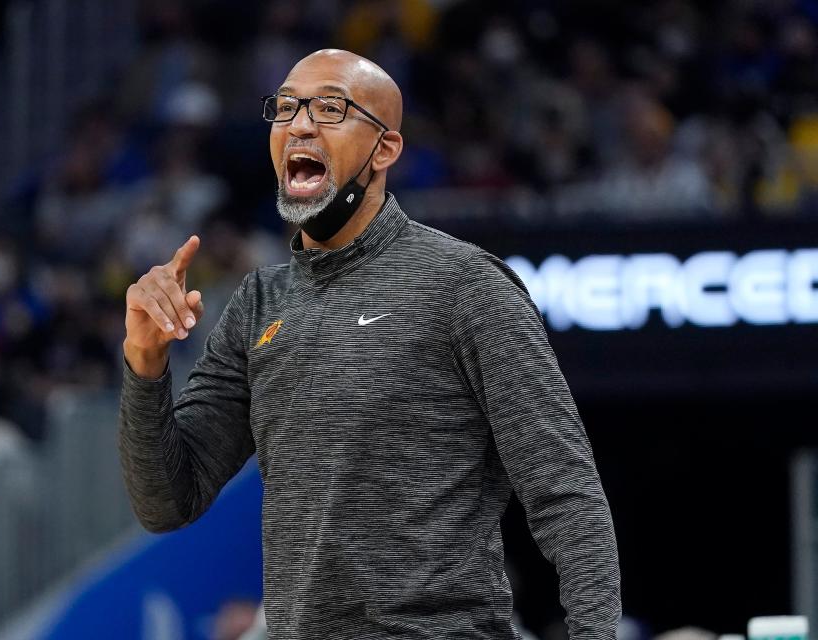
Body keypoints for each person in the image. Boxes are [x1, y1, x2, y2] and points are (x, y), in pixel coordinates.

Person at [118, 49, 620, 639]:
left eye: (330, 108)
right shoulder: (258, 304)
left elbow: (566, 493)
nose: (300, 123)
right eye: (285, 108)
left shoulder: (462, 282)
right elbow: (166, 501)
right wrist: (145, 363)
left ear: (385, 148)